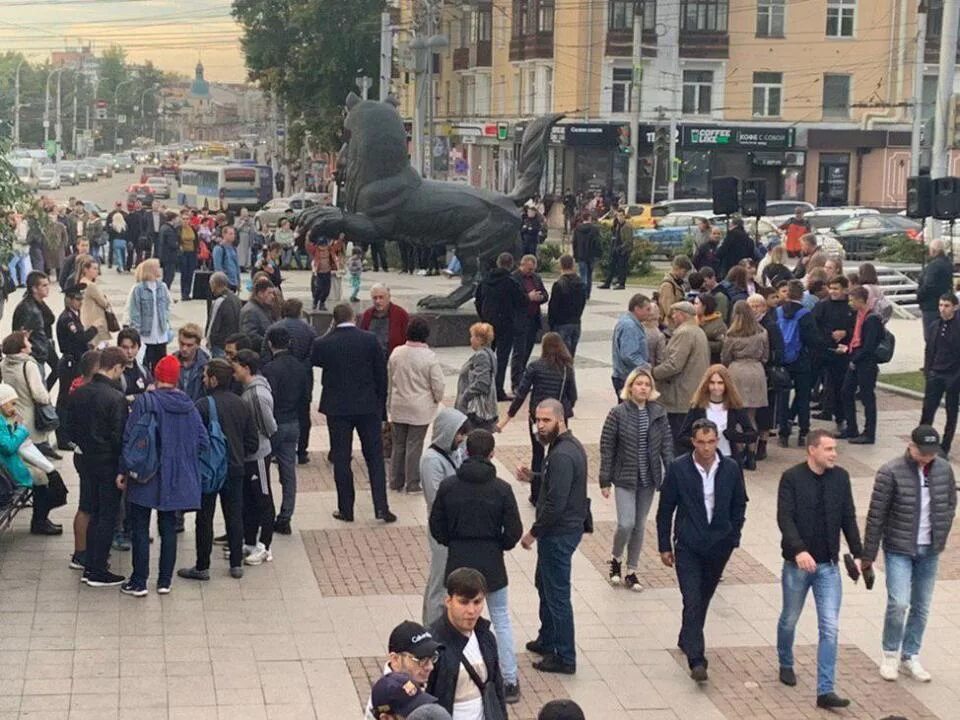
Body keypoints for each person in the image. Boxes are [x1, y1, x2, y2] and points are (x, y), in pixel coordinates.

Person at [429, 430, 523, 703]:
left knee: (456, 620)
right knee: (502, 619)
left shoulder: (449, 486)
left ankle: (454, 674)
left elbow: (437, 525)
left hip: (459, 558)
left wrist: (453, 540)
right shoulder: (502, 489)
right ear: (492, 453)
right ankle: (509, 680)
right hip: (492, 561)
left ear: (466, 451)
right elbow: (514, 530)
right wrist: (499, 545)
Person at [862, 425, 957, 683]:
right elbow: (876, 515)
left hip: (930, 548)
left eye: (931, 452)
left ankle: (911, 654)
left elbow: (950, 502)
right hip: (899, 547)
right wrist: (867, 556)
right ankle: (890, 653)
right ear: (911, 447)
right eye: (922, 451)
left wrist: (943, 530)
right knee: (899, 603)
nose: (927, 457)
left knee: (922, 606)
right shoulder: (891, 471)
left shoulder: (943, 470)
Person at [656, 418, 748, 683]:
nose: (707, 448)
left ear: (717, 441)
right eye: (701, 442)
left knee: (703, 597)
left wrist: (734, 536)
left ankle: (688, 636)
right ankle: (697, 659)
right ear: (693, 442)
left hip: (719, 545)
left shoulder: (730, 468)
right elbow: (665, 509)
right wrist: (664, 545)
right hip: (688, 545)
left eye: (711, 442)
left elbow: (739, 503)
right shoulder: (679, 468)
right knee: (692, 598)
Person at [776, 430, 861, 708]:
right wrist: (799, 549)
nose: (834, 454)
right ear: (812, 450)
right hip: (797, 565)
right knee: (790, 618)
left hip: (828, 566)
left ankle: (825, 690)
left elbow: (848, 516)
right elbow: (784, 517)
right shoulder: (791, 478)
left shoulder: (841, 478)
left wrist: (859, 554)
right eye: (828, 449)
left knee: (830, 627)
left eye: (834, 448)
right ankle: (786, 661)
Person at [119, 355, 208, 597]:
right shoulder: (189, 406)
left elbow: (130, 437)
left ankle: (139, 582)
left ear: (156, 376)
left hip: (145, 475)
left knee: (139, 527)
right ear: (177, 378)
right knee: (168, 528)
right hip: (176, 477)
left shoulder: (145, 401)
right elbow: (203, 441)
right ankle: (164, 581)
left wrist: (123, 470)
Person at [520, 399, 588, 675]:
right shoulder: (565, 448)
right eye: (537, 420)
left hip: (558, 533)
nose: (540, 425)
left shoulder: (561, 454)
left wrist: (532, 533)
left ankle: (564, 655)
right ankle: (548, 639)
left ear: (561, 420)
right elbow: (558, 482)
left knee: (557, 594)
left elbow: (555, 503)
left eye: (546, 420)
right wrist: (535, 477)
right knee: (544, 584)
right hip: (563, 529)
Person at [311, 303, 395, 523]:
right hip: (368, 407)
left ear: (334, 320)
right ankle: (381, 508)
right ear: (354, 318)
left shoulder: (325, 343)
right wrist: (381, 407)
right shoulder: (369, 340)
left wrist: (331, 331)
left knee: (341, 458)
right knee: (374, 458)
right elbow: (381, 375)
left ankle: (346, 509)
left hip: (337, 409)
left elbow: (314, 357)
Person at [178, 359, 259, 581]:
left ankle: (202, 566)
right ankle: (235, 564)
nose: (203, 379)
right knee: (234, 515)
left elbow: (190, 439)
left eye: (205, 376)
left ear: (214, 379)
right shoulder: (242, 404)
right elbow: (253, 442)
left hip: (209, 470)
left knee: (204, 517)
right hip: (235, 469)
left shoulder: (203, 405)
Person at [599, 366, 673, 590]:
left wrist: (671, 475)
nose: (643, 388)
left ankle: (631, 570)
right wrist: (605, 479)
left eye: (647, 384)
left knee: (640, 525)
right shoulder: (618, 413)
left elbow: (667, 445)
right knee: (625, 523)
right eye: (639, 384)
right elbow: (607, 447)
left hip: (648, 478)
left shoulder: (658, 413)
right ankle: (615, 559)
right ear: (630, 387)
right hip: (625, 477)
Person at [66, 347, 128, 586]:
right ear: (116, 368)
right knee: (107, 515)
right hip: (107, 463)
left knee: (90, 508)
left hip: (85, 460)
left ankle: (89, 563)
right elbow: (119, 436)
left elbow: (68, 427)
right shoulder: (115, 398)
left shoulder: (79, 393)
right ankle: (98, 568)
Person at [500, 333, 577, 505]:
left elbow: (521, 393)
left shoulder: (535, 366)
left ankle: (536, 494)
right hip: (558, 418)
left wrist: (509, 416)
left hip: (537, 418)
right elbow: (573, 395)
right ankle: (553, 492)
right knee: (556, 454)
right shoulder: (566, 368)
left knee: (538, 453)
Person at [426, 567, 508, 718]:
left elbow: (497, 689)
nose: (471, 610)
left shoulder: (486, 637)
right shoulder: (433, 644)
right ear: (448, 601)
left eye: (477, 602)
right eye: (464, 602)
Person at [421, 408, 470, 625]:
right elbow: (435, 498)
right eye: (459, 433)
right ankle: (432, 629)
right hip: (442, 530)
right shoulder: (431, 460)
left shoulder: (455, 453)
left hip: (455, 528)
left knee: (446, 580)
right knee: (439, 582)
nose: (461, 439)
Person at [231, 349, 279, 565]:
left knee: (262, 497)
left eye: (236, 367)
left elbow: (269, 426)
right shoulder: (249, 391)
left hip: (258, 453)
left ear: (246, 368)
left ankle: (265, 545)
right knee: (249, 500)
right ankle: (250, 542)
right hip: (249, 454)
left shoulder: (256, 394)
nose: (234, 371)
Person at [262, 326, 311, 534]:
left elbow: (268, 399)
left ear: (270, 344)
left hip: (275, 424)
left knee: (262, 470)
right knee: (288, 471)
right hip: (293, 422)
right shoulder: (300, 367)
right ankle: (286, 515)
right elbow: (306, 397)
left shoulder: (270, 369)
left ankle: (265, 513)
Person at [387, 318, 445, 493]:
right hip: (420, 408)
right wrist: (437, 398)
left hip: (398, 404)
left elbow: (390, 379)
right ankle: (412, 483)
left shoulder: (396, 353)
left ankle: (395, 480)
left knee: (398, 444)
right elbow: (438, 384)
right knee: (414, 444)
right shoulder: (429, 357)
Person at [265, 298, 317, 464]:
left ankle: (276, 449)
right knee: (303, 413)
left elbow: (264, 352)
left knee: (278, 410)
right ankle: (302, 450)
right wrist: (303, 365)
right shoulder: (309, 329)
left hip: (278, 375)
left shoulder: (274, 328)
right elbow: (314, 353)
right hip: (303, 376)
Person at [678, 364, 757, 470]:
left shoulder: (734, 407)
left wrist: (734, 436)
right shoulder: (698, 406)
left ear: (727, 384)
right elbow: (682, 436)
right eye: (712, 383)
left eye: (720, 383)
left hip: (728, 459)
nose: (716, 387)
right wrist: (701, 443)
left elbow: (752, 435)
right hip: (703, 462)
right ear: (706, 384)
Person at [653, 301, 711, 443]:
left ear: (682, 315)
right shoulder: (698, 331)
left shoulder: (684, 333)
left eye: (674, 313)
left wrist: (653, 373)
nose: (672, 316)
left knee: (676, 440)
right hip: (693, 394)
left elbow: (674, 364)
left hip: (680, 396)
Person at [364, 621, 444, 720]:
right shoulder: (382, 700)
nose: (430, 666)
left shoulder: (418, 678)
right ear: (395, 659)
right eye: (421, 660)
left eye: (432, 657)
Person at [721, 300, 769, 463]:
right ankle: (752, 453)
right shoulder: (762, 332)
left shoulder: (732, 334)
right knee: (752, 415)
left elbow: (725, 357)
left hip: (737, 371)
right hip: (756, 371)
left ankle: (740, 451)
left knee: (737, 415)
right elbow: (765, 355)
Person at [475, 252, 526, 400]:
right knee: (502, 359)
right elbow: (521, 302)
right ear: (511, 265)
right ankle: (498, 390)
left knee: (485, 357)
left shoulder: (485, 281)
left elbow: (478, 300)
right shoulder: (510, 283)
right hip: (506, 325)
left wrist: (483, 317)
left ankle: (483, 388)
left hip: (488, 323)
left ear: (498, 263)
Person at [776, 280, 820, 448]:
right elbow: (813, 339)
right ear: (802, 295)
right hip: (801, 360)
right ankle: (803, 432)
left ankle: (783, 434)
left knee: (783, 397)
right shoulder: (805, 314)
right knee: (803, 397)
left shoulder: (778, 312)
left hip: (782, 361)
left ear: (787, 293)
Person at [54, 285, 98, 450]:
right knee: (65, 400)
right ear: (69, 299)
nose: (80, 302)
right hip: (69, 364)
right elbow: (80, 337)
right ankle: (63, 438)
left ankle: (69, 433)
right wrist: (95, 328)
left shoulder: (74, 315)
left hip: (76, 361)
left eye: (81, 299)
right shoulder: (68, 319)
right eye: (77, 299)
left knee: (72, 398)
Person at [838, 286, 882, 445]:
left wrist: (854, 359)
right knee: (846, 391)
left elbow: (869, 345)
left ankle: (869, 432)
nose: (850, 303)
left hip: (865, 362)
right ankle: (851, 427)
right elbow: (855, 338)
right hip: (856, 357)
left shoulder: (872, 319)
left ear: (861, 300)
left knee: (867, 396)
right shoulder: (858, 316)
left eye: (852, 300)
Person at [811, 275, 855, 429]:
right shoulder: (822, 306)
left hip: (842, 352)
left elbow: (856, 327)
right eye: (831, 288)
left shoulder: (850, 307)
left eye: (836, 288)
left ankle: (841, 418)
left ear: (844, 289)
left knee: (839, 387)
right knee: (815, 382)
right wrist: (828, 336)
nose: (833, 292)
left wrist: (845, 333)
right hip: (824, 350)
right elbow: (814, 326)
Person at [13, 270, 57, 390]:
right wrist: (30, 352)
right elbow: (22, 334)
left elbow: (48, 320)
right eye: (44, 285)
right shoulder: (28, 309)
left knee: (58, 368)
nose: (48, 288)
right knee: (37, 382)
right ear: (34, 289)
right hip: (36, 350)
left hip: (44, 343)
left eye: (48, 285)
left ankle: (44, 394)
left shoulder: (39, 303)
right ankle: (43, 397)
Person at [510, 255, 548, 392]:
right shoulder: (514, 278)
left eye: (533, 269)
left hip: (533, 320)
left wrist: (541, 297)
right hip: (520, 320)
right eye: (529, 269)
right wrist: (528, 297)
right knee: (518, 353)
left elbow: (545, 293)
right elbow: (513, 298)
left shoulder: (536, 278)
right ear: (522, 265)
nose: (531, 271)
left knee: (527, 351)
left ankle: (523, 380)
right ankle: (515, 383)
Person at [126, 259, 172, 371]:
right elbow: (135, 312)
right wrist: (136, 332)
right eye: (157, 267)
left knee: (160, 364)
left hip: (161, 333)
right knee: (145, 364)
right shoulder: (138, 289)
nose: (159, 269)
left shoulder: (163, 287)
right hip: (145, 334)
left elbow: (167, 305)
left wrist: (166, 322)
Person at [455, 323, 498, 432]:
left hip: (476, 411)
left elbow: (482, 382)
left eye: (472, 336)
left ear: (479, 339)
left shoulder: (481, 356)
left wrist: (465, 397)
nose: (471, 339)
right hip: (484, 409)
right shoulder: (490, 353)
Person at [611, 293, 651, 399]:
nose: (650, 313)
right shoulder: (630, 326)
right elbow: (629, 355)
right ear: (637, 309)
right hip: (627, 376)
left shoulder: (630, 323)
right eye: (647, 309)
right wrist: (646, 367)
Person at [357, 284, 411, 359]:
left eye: (381, 297)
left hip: (393, 360)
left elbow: (408, 340)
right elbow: (361, 338)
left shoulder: (401, 315)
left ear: (388, 297)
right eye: (375, 298)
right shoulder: (367, 315)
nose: (378, 301)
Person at [547, 255, 586, 357]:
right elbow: (582, 303)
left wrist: (551, 324)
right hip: (576, 322)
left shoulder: (559, 284)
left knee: (560, 357)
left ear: (561, 265)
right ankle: (569, 373)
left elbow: (553, 307)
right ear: (573, 265)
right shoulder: (581, 284)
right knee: (570, 356)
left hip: (561, 323)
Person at [917, 239, 954, 345]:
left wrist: (919, 295)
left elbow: (929, 285)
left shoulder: (934, 266)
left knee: (931, 337)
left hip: (930, 305)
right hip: (943, 301)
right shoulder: (947, 264)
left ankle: (932, 360)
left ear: (933, 251)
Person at [206, 271, 242, 359]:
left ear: (214, 284)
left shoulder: (220, 301)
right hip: (234, 344)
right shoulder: (237, 299)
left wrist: (209, 342)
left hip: (220, 345)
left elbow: (213, 325)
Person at [174, 323, 210, 402]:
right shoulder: (171, 362)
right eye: (182, 344)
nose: (184, 348)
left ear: (198, 345)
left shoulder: (207, 365)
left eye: (189, 345)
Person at [598, 208, 632, 290]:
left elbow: (628, 240)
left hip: (623, 250)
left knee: (622, 267)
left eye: (621, 215)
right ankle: (607, 283)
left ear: (624, 216)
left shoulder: (627, 226)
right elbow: (615, 236)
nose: (619, 217)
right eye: (618, 216)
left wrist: (621, 248)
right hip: (615, 248)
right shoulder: (617, 225)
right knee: (612, 266)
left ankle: (621, 283)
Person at [240, 278, 276, 351]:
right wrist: (269, 344)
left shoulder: (264, 308)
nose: (273, 296)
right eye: (269, 293)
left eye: (273, 293)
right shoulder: (250, 311)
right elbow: (250, 336)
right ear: (260, 294)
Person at [116, 328, 153, 400]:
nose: (129, 351)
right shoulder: (116, 373)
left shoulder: (144, 371)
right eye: (125, 347)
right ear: (118, 347)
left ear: (138, 347)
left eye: (133, 347)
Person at [571, 214, 601, 299]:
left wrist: (575, 255)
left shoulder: (577, 229)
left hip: (580, 255)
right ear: (589, 218)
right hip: (591, 255)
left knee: (582, 274)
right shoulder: (594, 229)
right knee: (589, 275)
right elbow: (597, 243)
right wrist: (598, 254)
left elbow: (575, 243)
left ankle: (582, 292)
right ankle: (587, 293)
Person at [658, 256, 691, 329]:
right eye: (684, 271)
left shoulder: (677, 283)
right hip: (670, 326)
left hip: (677, 324)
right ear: (676, 268)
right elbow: (669, 310)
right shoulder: (667, 286)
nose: (685, 275)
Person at [695, 292, 726, 365]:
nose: (694, 306)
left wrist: (703, 343)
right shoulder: (693, 320)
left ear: (704, 306)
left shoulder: (718, 324)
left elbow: (721, 345)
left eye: (696, 304)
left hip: (710, 362)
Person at [177, 208, 199, 301]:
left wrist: (196, 250)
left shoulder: (192, 228)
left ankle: (188, 292)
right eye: (184, 219)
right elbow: (178, 240)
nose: (186, 221)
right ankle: (183, 293)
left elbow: (196, 240)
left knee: (190, 273)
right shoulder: (179, 229)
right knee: (184, 273)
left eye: (187, 219)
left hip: (192, 253)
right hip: (183, 253)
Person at [213, 225, 241, 292]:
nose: (233, 236)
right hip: (225, 282)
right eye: (230, 234)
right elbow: (218, 267)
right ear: (224, 235)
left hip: (234, 281)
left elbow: (236, 266)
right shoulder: (219, 248)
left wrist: (238, 281)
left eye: (234, 234)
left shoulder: (233, 248)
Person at [158, 211, 179, 289]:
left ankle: (164, 291)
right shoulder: (169, 229)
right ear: (173, 219)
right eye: (176, 219)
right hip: (169, 256)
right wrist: (178, 245)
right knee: (169, 276)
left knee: (166, 275)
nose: (177, 220)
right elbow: (172, 244)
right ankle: (165, 292)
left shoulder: (163, 227)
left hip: (164, 256)